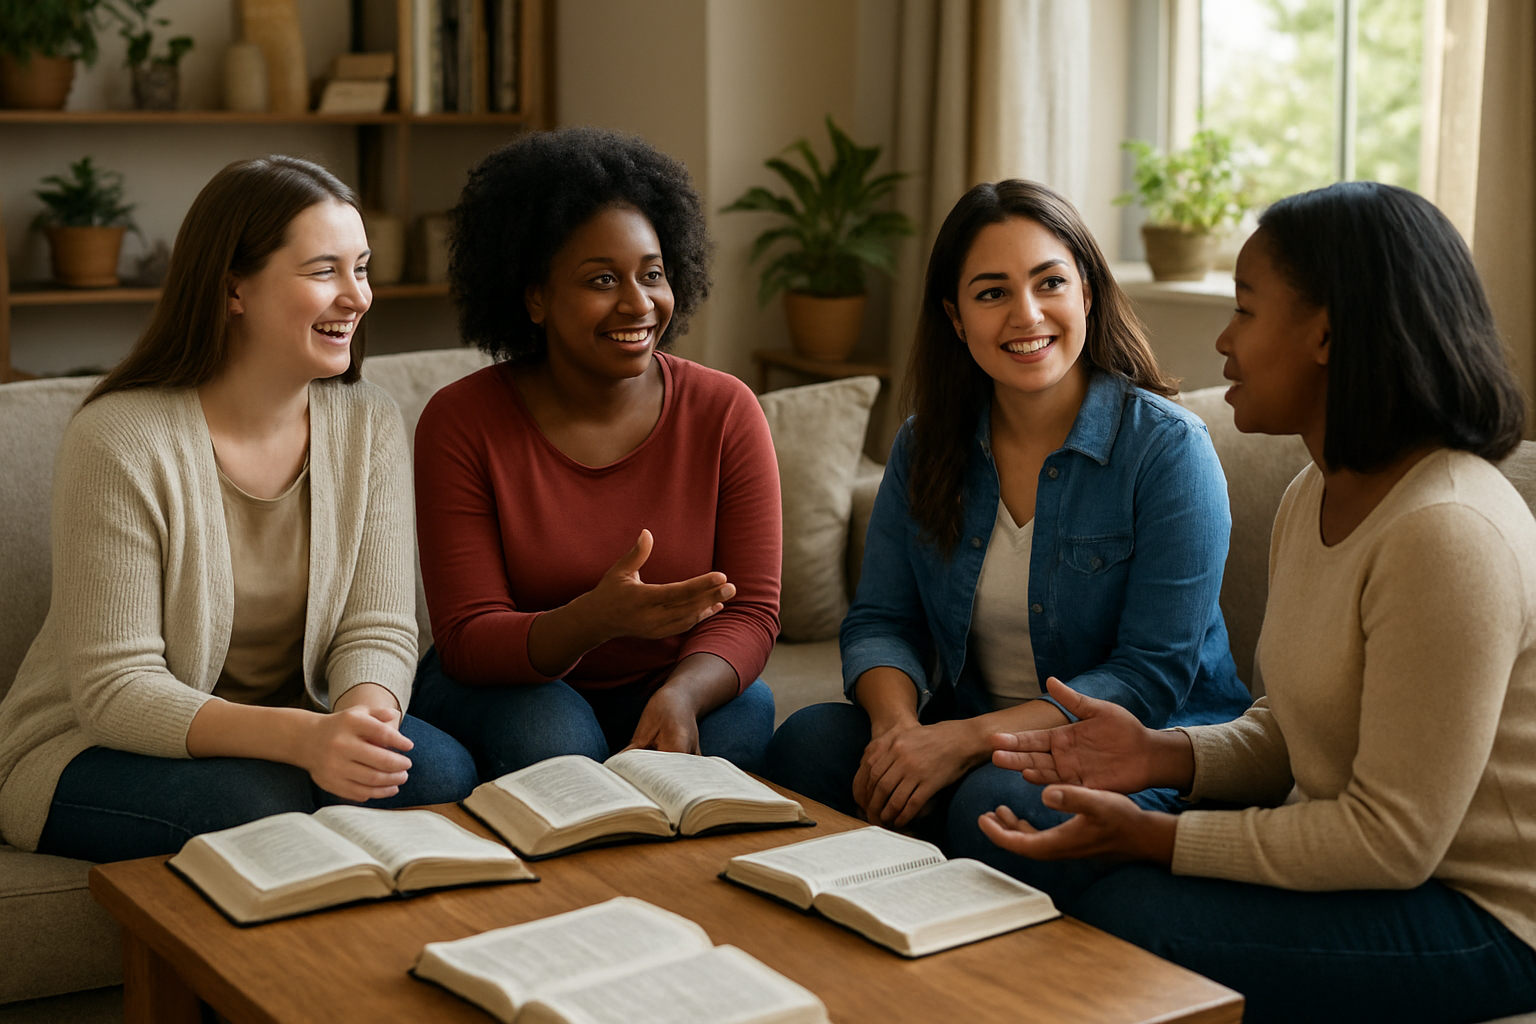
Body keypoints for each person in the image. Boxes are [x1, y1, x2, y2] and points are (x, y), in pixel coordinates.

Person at [978, 182, 1536, 1024]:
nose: (1224, 340)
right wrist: (1157, 757)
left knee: (1131, 916)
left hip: (1486, 915)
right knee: (1082, 875)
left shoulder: (1446, 531)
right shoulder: (1314, 493)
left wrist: (1158, 836)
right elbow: (1294, 728)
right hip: (1388, 872)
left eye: (1245, 308)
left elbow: (1390, 841)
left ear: (1326, 331)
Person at [0, 156, 478, 863]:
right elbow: (116, 689)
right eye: (324, 272)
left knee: (434, 774)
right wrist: (303, 740)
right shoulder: (121, 438)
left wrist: (359, 720)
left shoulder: (368, 421)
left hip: (298, 720)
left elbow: (377, 622)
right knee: (262, 808)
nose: (358, 297)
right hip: (94, 741)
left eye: (363, 268)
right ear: (234, 289)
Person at [764, 179, 1252, 854]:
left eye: (1049, 283)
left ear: (1087, 291)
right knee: (806, 745)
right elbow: (882, 621)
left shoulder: (1167, 449)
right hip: (967, 727)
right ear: (957, 317)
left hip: (1133, 748)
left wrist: (962, 743)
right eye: (992, 292)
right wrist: (899, 734)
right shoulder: (925, 443)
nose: (1026, 315)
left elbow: (1149, 677)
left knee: (995, 801)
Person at [408, 127, 780, 780]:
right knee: (555, 738)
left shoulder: (726, 411)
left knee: (743, 714)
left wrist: (682, 693)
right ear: (534, 297)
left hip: (667, 675)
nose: (638, 303)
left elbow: (752, 610)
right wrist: (592, 621)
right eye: (602, 279)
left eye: (653, 274)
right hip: (512, 685)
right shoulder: (461, 421)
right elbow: (468, 639)